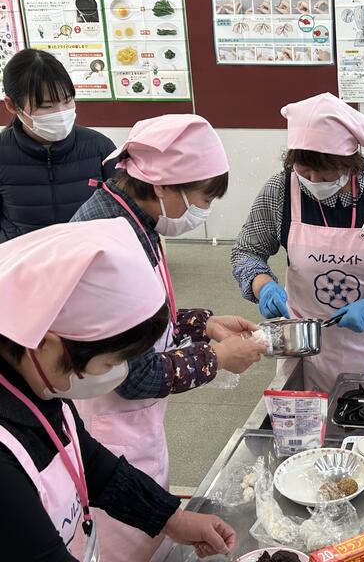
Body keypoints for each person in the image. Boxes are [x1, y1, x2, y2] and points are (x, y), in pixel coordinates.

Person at [70, 114, 266, 560]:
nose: (204, 211)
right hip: (111, 432)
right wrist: (217, 357)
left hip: (136, 427)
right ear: (163, 185)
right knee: (125, 544)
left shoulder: (133, 219)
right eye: (203, 198)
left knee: (153, 530)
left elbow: (143, 319)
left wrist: (202, 324)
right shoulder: (109, 244)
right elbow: (134, 374)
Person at [0, 218, 236, 561]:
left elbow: (92, 463)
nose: (121, 373)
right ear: (46, 344)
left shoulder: (36, 383)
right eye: (110, 362)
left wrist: (172, 520)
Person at [232, 93, 364, 392]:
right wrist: (262, 285)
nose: (313, 181)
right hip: (305, 344)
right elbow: (247, 251)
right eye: (304, 171)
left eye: (324, 174)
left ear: (350, 162)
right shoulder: (281, 189)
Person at [0, 48, 116, 243]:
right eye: (46, 106)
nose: (61, 113)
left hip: (87, 255)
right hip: (24, 258)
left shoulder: (100, 147)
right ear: (12, 105)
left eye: (67, 100)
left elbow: (124, 211)